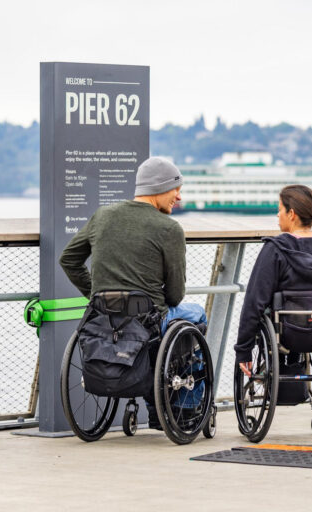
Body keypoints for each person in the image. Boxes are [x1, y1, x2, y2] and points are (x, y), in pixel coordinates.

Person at [59, 156, 206, 427]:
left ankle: (157, 397)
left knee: (163, 326)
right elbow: (175, 296)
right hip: (150, 320)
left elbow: (68, 259)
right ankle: (184, 406)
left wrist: (98, 296)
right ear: (160, 188)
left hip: (103, 318)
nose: (179, 197)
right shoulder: (169, 229)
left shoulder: (103, 216)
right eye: (176, 189)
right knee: (197, 314)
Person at [234, 185, 312, 376]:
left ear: (291, 214)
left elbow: (254, 301)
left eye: (280, 209)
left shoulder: (275, 249)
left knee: (267, 308)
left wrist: (244, 350)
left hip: (286, 336)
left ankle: (278, 370)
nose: (277, 215)